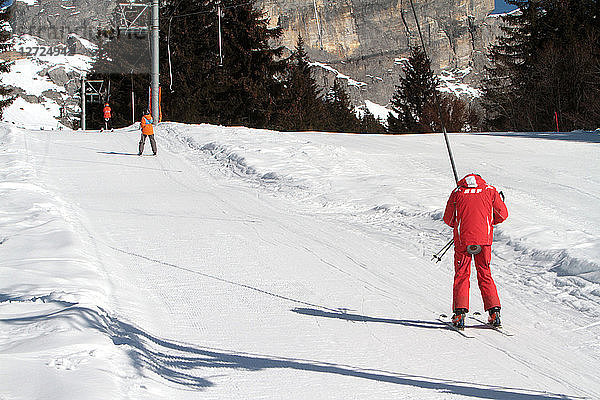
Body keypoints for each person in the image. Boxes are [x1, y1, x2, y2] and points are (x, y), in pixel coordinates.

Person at [443, 173, 508, 330]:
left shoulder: (457, 192)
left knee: (461, 274)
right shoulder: (490, 190)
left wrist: (461, 225)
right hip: (484, 241)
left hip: (463, 240)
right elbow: (502, 215)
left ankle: (459, 314)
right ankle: (494, 312)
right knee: (485, 273)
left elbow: (448, 218)